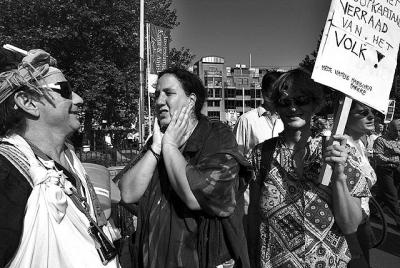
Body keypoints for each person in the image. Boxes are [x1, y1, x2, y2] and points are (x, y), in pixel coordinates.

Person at [118, 68, 251, 268]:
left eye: (169, 93)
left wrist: (170, 147)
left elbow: (197, 197)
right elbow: (127, 193)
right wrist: (156, 148)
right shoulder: (156, 142)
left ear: (191, 101)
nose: (159, 101)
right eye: (157, 95)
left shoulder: (217, 136)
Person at [0, 49, 119, 267]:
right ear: (28, 102)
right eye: (65, 90)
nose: (79, 99)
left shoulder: (70, 156)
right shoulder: (7, 172)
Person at [248, 68, 368, 267]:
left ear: (315, 103)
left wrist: (338, 175)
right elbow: (253, 215)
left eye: (301, 100)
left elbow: (351, 224)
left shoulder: (341, 152)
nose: (293, 108)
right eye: (285, 102)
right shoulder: (261, 155)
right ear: (276, 107)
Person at [343, 101, 378, 266]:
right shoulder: (343, 149)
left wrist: (367, 224)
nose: (371, 116)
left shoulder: (360, 144)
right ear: (345, 116)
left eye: (372, 112)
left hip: (362, 222)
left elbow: (363, 194)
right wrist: (352, 240)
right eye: (363, 113)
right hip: (349, 229)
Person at [233, 71, 284, 159]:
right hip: (254, 171)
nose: (276, 96)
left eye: (279, 92)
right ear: (263, 92)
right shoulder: (246, 120)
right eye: (272, 91)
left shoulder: (288, 119)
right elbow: (236, 155)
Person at [374, 119, 400, 229]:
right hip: (385, 171)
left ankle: (373, 209)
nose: (398, 134)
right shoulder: (381, 140)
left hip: (397, 171)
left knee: (385, 194)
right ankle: (398, 219)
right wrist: (390, 160)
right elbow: (377, 155)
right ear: (390, 129)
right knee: (392, 196)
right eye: (396, 131)